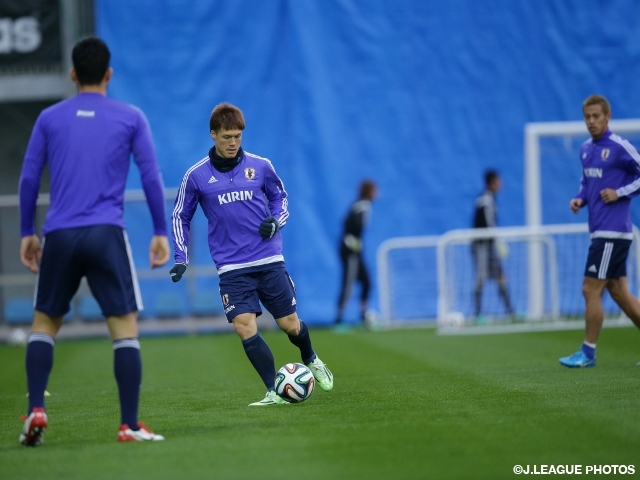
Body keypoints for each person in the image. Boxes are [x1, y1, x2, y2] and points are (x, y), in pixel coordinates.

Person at [18, 37, 169, 446]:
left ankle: (35, 408)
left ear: (72, 75)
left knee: (44, 324)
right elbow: (151, 176)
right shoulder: (131, 116)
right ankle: (129, 425)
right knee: (124, 329)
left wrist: (26, 233)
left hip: (60, 234)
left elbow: (29, 178)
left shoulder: (49, 118)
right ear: (109, 74)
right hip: (106, 233)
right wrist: (159, 230)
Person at [170, 102, 334, 405]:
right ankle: (274, 390)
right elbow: (181, 215)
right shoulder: (195, 176)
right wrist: (181, 258)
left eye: (238, 136)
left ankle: (311, 357)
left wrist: (276, 221)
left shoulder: (260, 166)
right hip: (231, 267)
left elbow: (280, 198)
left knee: (290, 325)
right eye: (227, 137)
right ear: (213, 135)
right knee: (243, 325)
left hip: (269, 260)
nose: (233, 143)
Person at [560, 94, 640, 368]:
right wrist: (579, 198)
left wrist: (618, 193)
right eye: (587, 117)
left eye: (596, 116)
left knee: (589, 289)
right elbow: (586, 182)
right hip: (598, 231)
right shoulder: (585, 149)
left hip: (612, 232)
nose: (591, 122)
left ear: (608, 117)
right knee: (620, 295)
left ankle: (588, 353)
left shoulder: (619, 147)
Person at [471, 169, 515, 320]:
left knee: (501, 276)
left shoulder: (490, 200)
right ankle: (478, 314)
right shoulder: (485, 201)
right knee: (481, 278)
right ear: (492, 182)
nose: (500, 184)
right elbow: (489, 224)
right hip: (481, 246)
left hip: (490, 246)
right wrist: (499, 241)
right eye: (498, 181)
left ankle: (511, 312)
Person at [335, 180, 377, 327]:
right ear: (369, 192)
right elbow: (352, 225)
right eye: (374, 190)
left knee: (366, 281)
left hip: (355, 250)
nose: (377, 194)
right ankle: (339, 319)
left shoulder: (360, 205)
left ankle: (363, 314)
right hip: (350, 251)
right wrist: (353, 242)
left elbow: (345, 222)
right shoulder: (362, 206)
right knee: (348, 283)